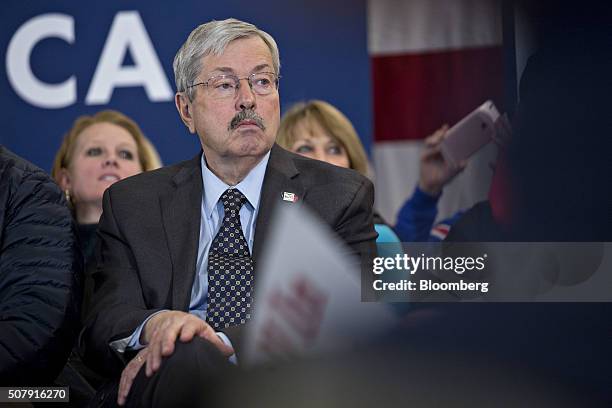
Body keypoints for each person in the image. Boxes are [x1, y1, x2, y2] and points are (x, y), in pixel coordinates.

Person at [79, 18, 377, 407]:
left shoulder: (338, 196)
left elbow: (346, 313)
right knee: (182, 353)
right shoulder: (134, 203)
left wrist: (215, 342)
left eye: (262, 81)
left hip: (288, 384)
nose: (248, 99)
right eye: (225, 84)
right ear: (186, 109)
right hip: (168, 383)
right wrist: (158, 325)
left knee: (190, 350)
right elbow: (104, 320)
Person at [276, 100, 464, 242]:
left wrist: (427, 191)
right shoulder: (258, 234)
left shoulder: (379, 236)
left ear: (353, 165)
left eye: (334, 149)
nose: (322, 159)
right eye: (305, 148)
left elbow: (405, 258)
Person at [52, 110, 162, 318]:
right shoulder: (38, 251)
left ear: (146, 177)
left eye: (125, 154)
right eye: (94, 151)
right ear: (65, 179)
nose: (111, 160)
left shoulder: (171, 250)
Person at [0, 146, 81, 386]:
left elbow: (32, 330)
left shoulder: (25, 187)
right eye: (95, 151)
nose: (110, 162)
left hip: (30, 391)